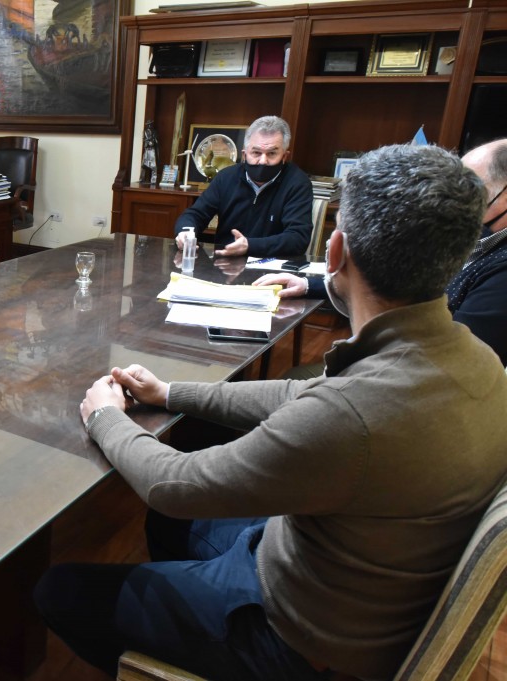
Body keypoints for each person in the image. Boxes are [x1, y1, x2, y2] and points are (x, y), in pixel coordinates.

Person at [34, 144, 507, 681]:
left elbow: (172, 485)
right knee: (175, 508)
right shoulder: (474, 357)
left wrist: (104, 417)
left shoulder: (353, 415)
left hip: (294, 636)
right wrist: (169, 393)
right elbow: (300, 396)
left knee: (60, 590)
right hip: (335, 579)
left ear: (335, 250)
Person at [255, 138, 507, 365]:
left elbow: (455, 361)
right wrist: (308, 285)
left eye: (474, 192)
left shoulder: (498, 272)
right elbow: (395, 282)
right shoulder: (476, 241)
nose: (458, 203)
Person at [174, 115, 313, 258]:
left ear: (284, 156)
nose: (263, 161)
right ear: (245, 155)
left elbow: (298, 238)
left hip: (273, 265)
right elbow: (195, 214)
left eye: (272, 153)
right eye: (256, 153)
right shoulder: (226, 177)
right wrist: (185, 232)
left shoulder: (298, 183)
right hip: (225, 261)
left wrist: (250, 246)